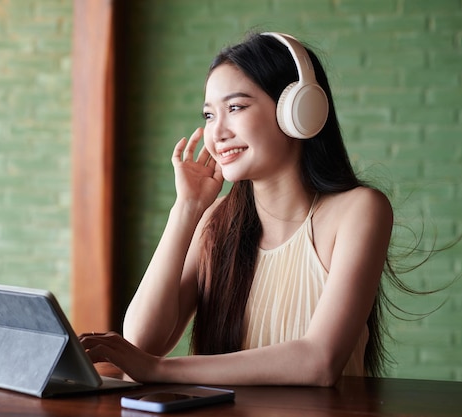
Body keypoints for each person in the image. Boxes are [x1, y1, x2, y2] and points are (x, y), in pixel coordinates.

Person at [80, 31, 396, 387]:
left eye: (235, 108)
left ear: (297, 110)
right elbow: (142, 340)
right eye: (209, 115)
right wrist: (187, 208)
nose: (217, 133)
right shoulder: (215, 220)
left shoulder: (359, 211)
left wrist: (159, 369)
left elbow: (318, 362)